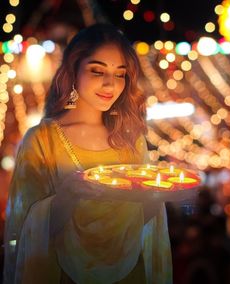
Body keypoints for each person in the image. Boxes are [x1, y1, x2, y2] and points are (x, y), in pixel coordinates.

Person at [3, 23, 172, 284]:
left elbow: (140, 220)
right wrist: (66, 198)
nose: (110, 84)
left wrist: (161, 196)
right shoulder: (42, 140)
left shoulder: (130, 139)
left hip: (130, 272)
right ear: (73, 71)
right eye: (97, 70)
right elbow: (25, 233)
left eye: (120, 74)